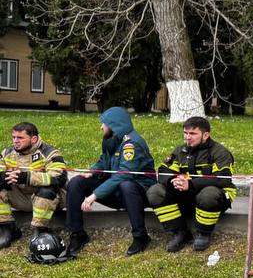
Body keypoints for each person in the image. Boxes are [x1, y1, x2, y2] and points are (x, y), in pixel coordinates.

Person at [65, 107, 157, 257]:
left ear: (115, 125)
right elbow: (104, 160)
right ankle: (77, 234)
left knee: (126, 185)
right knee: (77, 182)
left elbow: (124, 175)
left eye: (104, 124)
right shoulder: (113, 139)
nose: (101, 127)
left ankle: (141, 236)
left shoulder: (131, 144)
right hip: (117, 190)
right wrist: (93, 171)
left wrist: (94, 195)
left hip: (137, 194)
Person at [147, 117, 237, 252]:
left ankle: (203, 233)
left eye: (193, 134)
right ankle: (179, 232)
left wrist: (191, 184)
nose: (188, 137)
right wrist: (174, 180)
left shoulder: (220, 152)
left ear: (206, 135)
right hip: (187, 195)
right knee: (155, 192)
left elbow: (222, 179)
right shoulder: (180, 151)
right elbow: (163, 170)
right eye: (185, 133)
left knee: (209, 194)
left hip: (215, 198)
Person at [0, 122, 68, 247]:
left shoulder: (51, 152)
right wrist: (4, 177)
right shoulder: (7, 153)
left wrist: (26, 177)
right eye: (13, 137)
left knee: (47, 189)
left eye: (20, 138)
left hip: (51, 199)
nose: (15, 141)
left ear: (34, 139)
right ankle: (7, 229)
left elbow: (59, 178)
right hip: (21, 197)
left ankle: (39, 231)